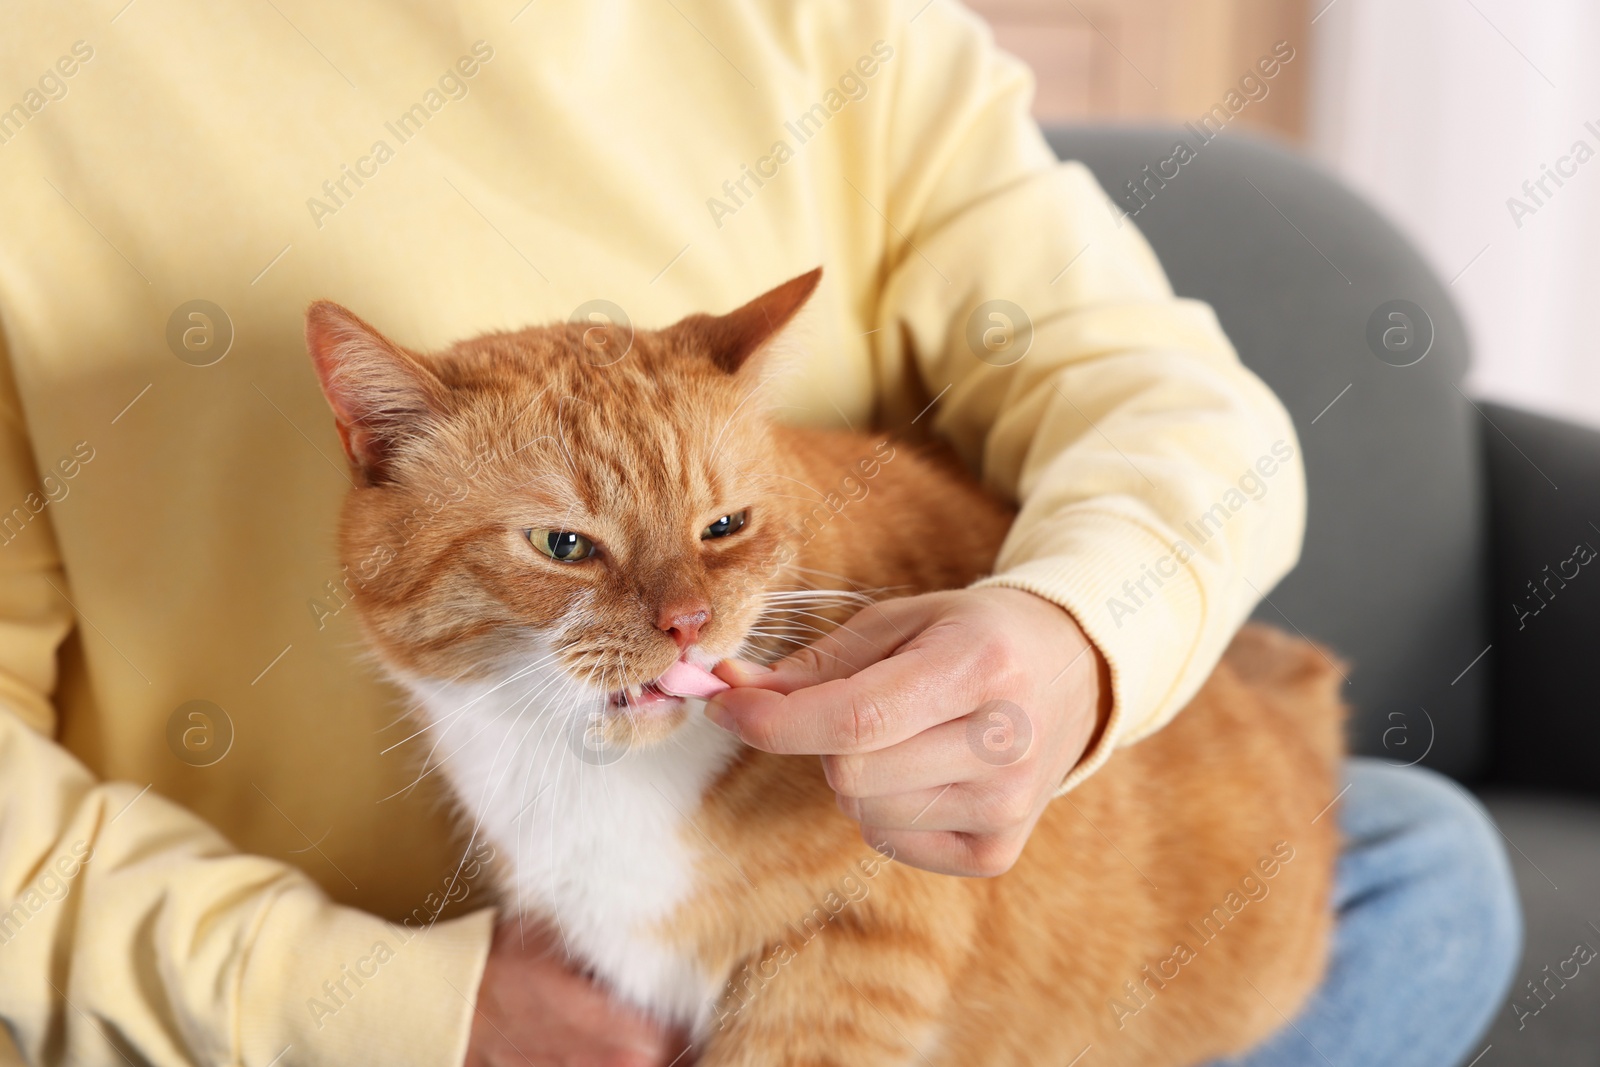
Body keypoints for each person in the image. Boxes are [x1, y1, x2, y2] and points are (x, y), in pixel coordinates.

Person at [0, 2, 1518, 1065]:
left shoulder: (842, 25)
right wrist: (372, 1012)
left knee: (1420, 871)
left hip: (814, 890)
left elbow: (1168, 400)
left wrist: (1077, 639)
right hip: (318, 991)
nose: (669, 610)